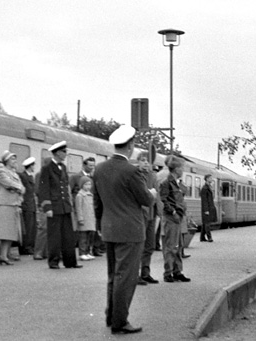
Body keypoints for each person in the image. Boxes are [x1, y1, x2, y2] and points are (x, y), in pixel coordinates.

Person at [92, 125, 156, 335]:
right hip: (130, 231)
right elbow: (145, 199)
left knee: (113, 275)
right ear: (130, 145)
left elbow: (97, 202)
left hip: (109, 229)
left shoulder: (99, 169)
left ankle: (112, 316)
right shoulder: (131, 171)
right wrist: (153, 192)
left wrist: (100, 225)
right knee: (126, 277)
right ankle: (120, 322)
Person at [38, 141, 82, 269]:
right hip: (54, 207)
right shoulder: (47, 168)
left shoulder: (62, 167)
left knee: (68, 236)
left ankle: (70, 262)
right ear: (57, 152)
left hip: (64, 206)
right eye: (64, 152)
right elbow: (44, 189)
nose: (66, 154)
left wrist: (69, 205)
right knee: (54, 236)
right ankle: (53, 262)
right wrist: (47, 207)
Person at [0, 151, 25, 267]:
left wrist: (19, 200)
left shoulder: (15, 174)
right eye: (13, 159)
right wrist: (18, 187)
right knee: (0, 232)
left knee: (10, 233)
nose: (15, 161)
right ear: (7, 161)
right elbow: (7, 183)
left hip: (14, 205)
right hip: (4, 204)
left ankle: (4, 256)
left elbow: (22, 190)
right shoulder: (1, 171)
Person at [160, 155, 191, 283]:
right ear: (176, 169)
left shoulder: (177, 183)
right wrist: (173, 212)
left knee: (178, 246)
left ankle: (177, 271)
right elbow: (164, 199)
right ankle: (168, 273)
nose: (183, 170)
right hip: (172, 217)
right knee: (171, 246)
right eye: (181, 168)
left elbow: (184, 193)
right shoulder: (166, 183)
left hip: (178, 217)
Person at [137, 152, 161, 285]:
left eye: (148, 161)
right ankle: (135, 274)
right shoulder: (135, 175)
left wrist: (159, 212)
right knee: (139, 245)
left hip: (152, 213)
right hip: (140, 214)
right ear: (138, 161)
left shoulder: (153, 176)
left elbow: (157, 194)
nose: (146, 163)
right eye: (143, 160)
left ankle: (145, 272)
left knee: (150, 245)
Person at [33, 157, 52, 260]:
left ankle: (45, 252)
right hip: (44, 205)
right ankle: (38, 252)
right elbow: (37, 191)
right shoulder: (40, 175)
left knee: (50, 229)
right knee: (43, 228)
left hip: (53, 205)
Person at [18, 157, 37, 255]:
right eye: (33, 165)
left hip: (31, 205)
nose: (34, 167)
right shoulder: (23, 176)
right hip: (26, 205)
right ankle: (26, 247)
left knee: (31, 227)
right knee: (27, 227)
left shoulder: (30, 176)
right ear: (30, 166)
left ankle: (29, 247)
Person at [75, 176, 96, 261]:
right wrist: (80, 218)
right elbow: (78, 208)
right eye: (86, 184)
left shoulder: (90, 195)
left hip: (90, 219)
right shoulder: (80, 195)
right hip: (84, 219)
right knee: (83, 237)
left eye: (90, 184)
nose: (88, 186)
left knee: (89, 237)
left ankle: (87, 252)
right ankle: (82, 253)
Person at [200, 174, 217, 242]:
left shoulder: (209, 187)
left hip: (210, 207)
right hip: (207, 208)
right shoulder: (204, 188)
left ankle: (202, 237)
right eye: (210, 178)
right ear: (206, 179)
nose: (211, 179)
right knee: (207, 223)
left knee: (205, 223)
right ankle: (209, 237)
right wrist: (206, 210)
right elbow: (204, 200)